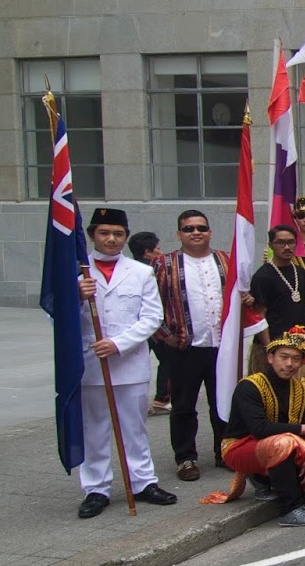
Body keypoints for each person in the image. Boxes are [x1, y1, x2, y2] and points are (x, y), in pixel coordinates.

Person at [72, 208, 176, 519]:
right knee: (95, 429)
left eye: (118, 234)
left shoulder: (140, 271)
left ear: (125, 237)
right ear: (92, 235)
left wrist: (118, 343)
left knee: (134, 427)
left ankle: (143, 482)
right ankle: (96, 488)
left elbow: (152, 317)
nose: (111, 239)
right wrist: (75, 296)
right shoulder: (75, 272)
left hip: (128, 362)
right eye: (104, 233)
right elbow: (56, 318)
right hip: (90, 363)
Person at [217, 328, 305, 527]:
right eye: (283, 357)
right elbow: (259, 429)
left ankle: (264, 481)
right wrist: (302, 429)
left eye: (295, 359)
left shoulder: (302, 390)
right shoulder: (250, 386)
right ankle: (290, 509)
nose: (289, 364)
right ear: (270, 357)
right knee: (284, 443)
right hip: (239, 447)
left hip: (275, 446)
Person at [154, 209, 231, 482]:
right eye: (189, 229)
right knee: (184, 405)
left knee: (222, 401)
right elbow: (152, 306)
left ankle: (225, 452)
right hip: (184, 347)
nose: (195, 232)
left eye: (201, 228)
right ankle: (185, 458)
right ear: (179, 234)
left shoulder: (224, 260)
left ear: (210, 232)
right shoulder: (165, 264)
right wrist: (166, 336)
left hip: (221, 346)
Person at [249, 225, 305, 355]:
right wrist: (269, 348)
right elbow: (260, 315)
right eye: (281, 243)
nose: (286, 247)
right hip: (275, 344)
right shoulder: (262, 276)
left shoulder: (301, 272)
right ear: (271, 245)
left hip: (301, 342)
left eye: (291, 242)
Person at [127, 229, 172, 416]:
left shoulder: (128, 270)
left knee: (134, 364)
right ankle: (162, 399)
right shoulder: (154, 270)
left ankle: (133, 402)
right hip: (154, 327)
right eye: (158, 248)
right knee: (169, 361)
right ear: (148, 252)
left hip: (135, 327)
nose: (160, 252)